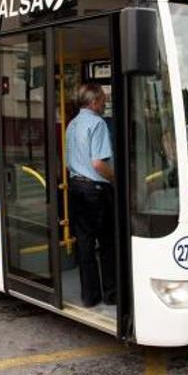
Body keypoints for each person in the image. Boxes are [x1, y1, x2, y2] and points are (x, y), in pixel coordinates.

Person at [66, 83, 116, 308]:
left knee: (85, 245)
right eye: (103, 100)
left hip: (75, 188)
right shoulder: (98, 124)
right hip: (96, 191)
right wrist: (116, 180)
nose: (105, 104)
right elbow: (98, 163)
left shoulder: (71, 125)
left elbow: (68, 162)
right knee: (107, 244)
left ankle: (90, 296)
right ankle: (111, 294)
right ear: (94, 102)